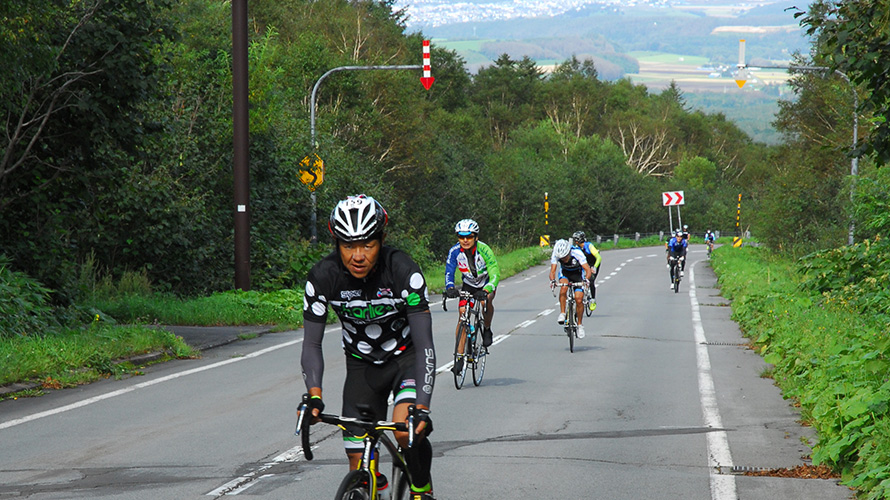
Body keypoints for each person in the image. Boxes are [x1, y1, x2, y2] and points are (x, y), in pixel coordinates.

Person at [299, 194, 437, 500]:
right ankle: (375, 486)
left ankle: (421, 487)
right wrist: (314, 396)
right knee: (358, 460)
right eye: (348, 245)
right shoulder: (323, 277)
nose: (357, 255)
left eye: (367, 245)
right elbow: (311, 343)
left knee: (406, 432)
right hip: (362, 367)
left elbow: (425, 342)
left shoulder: (403, 271)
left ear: (382, 240)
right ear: (337, 244)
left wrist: (422, 407)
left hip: (406, 360)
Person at [444, 219, 500, 374]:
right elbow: (449, 271)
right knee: (463, 314)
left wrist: (488, 288)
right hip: (468, 284)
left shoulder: (484, 249)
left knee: (486, 301)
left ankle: (487, 329)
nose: (465, 240)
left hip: (485, 283)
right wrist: (449, 287)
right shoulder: (454, 251)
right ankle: (459, 357)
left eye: (469, 236)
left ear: (475, 237)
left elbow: (494, 271)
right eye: (461, 237)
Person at [549, 238, 593, 338]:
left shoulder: (577, 252)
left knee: (578, 299)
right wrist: (552, 281)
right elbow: (552, 271)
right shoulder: (556, 254)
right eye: (562, 259)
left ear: (569, 252)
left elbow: (587, 270)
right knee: (563, 287)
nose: (564, 260)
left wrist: (586, 279)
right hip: (565, 274)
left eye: (565, 257)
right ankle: (563, 313)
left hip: (578, 274)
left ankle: (580, 325)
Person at [572, 231, 602, 311]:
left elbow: (598, 257)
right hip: (584, 265)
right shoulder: (576, 248)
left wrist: (594, 267)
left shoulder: (589, 246)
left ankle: (593, 299)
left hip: (593, 264)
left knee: (591, 281)